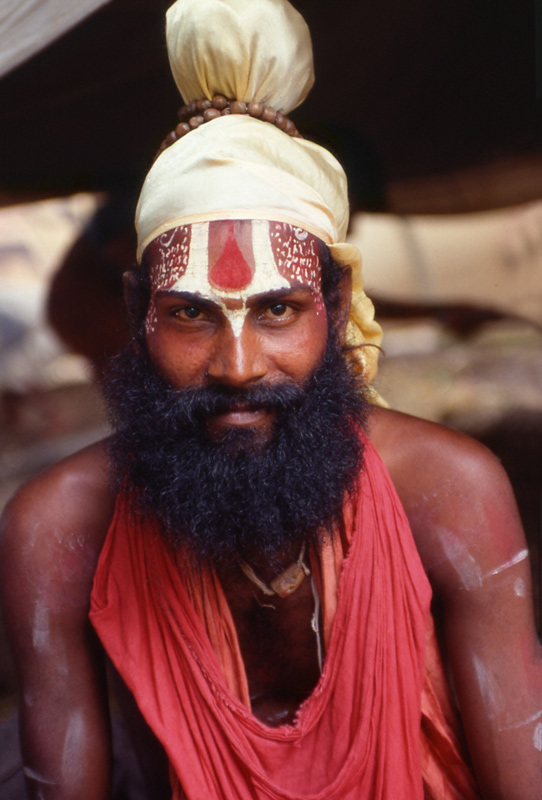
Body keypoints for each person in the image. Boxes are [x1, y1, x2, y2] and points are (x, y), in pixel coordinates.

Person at [1, 1, 541, 798]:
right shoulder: (57, 528)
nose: (239, 366)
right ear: (136, 312)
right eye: (191, 314)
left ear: (337, 304)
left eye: (278, 310)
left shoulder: (449, 492)